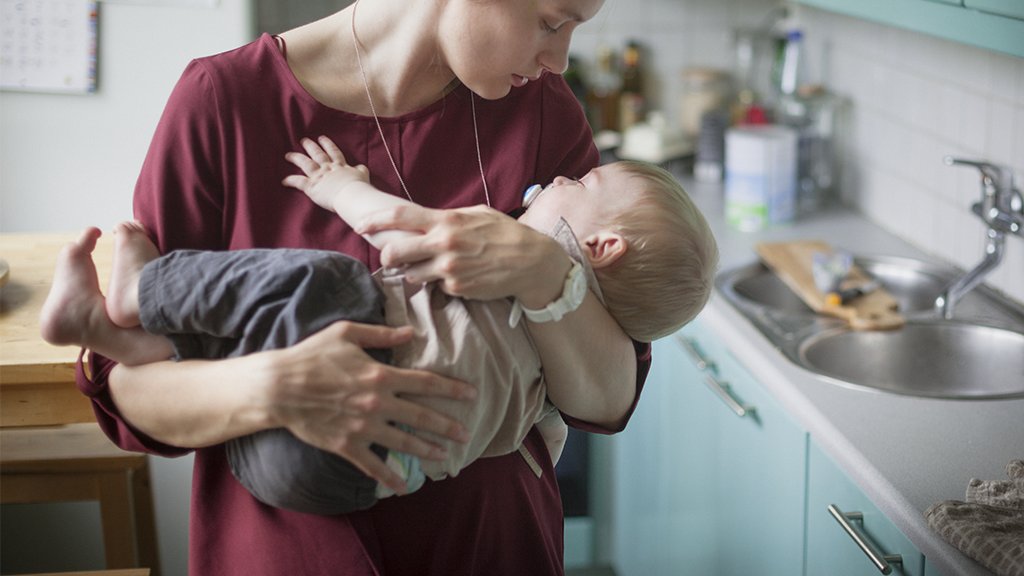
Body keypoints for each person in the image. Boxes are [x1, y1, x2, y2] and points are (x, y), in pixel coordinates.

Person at [73, 0, 657, 573]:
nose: (558, 59)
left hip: (492, 544)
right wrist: (271, 387)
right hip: (293, 542)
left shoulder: (543, 113)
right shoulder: (223, 100)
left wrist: (546, 273)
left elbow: (606, 399)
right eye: (552, 22)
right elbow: (130, 393)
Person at [41, 135, 717, 515]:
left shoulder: (508, 249)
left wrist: (338, 185)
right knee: (254, 342)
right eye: (550, 19)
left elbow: (395, 233)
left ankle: (138, 294)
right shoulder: (551, 386)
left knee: (328, 282)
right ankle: (120, 338)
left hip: (318, 440)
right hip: (337, 484)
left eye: (583, 184)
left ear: (600, 247)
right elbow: (563, 427)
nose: (562, 181)